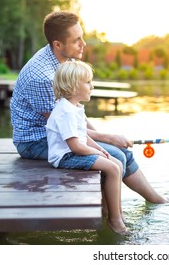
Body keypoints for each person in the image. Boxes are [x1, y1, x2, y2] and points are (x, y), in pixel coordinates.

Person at [10, 10, 168, 204]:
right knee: (115, 154)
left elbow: (75, 116)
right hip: (35, 141)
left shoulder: (63, 59)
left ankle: (153, 199)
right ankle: (111, 215)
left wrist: (104, 137)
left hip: (61, 132)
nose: (83, 44)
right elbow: (64, 126)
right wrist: (108, 138)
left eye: (82, 38)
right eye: (77, 40)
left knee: (120, 152)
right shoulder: (43, 78)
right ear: (58, 44)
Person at [46, 60, 127, 234]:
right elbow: (75, 146)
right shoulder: (65, 111)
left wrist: (101, 149)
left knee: (117, 164)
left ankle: (114, 211)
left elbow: (83, 135)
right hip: (65, 157)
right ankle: (114, 220)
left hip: (75, 151)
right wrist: (98, 152)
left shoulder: (75, 108)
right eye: (88, 82)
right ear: (74, 86)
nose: (92, 86)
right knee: (112, 169)